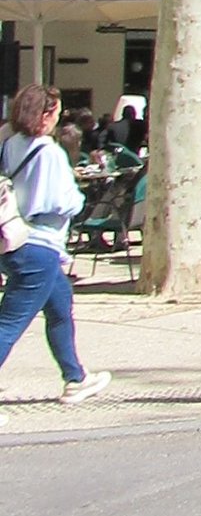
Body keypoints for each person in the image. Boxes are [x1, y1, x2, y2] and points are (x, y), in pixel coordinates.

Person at [0, 84, 109, 405]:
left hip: (14, 239)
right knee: (9, 323)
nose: (59, 119)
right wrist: (78, 198)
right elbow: (61, 202)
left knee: (60, 308)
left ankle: (75, 377)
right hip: (40, 246)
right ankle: (74, 378)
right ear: (44, 116)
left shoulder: (10, 145)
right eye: (56, 114)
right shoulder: (49, 152)